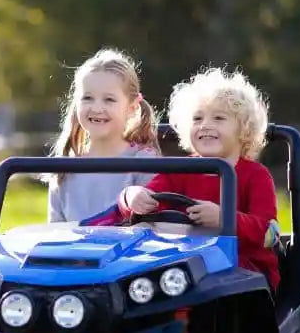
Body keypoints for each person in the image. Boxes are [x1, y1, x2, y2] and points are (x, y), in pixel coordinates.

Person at [88, 66, 281, 290]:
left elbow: (270, 233)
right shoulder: (180, 169)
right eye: (197, 118)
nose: (205, 125)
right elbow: (149, 197)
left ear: (244, 130)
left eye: (219, 118)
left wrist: (225, 218)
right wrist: (132, 197)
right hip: (184, 265)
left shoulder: (256, 176)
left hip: (244, 269)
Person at [46, 48, 161, 223]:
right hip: (74, 251)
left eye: (109, 100)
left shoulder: (144, 163)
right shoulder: (64, 171)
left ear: (131, 108)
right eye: (87, 98)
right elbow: (54, 234)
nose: (97, 108)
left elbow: (154, 228)